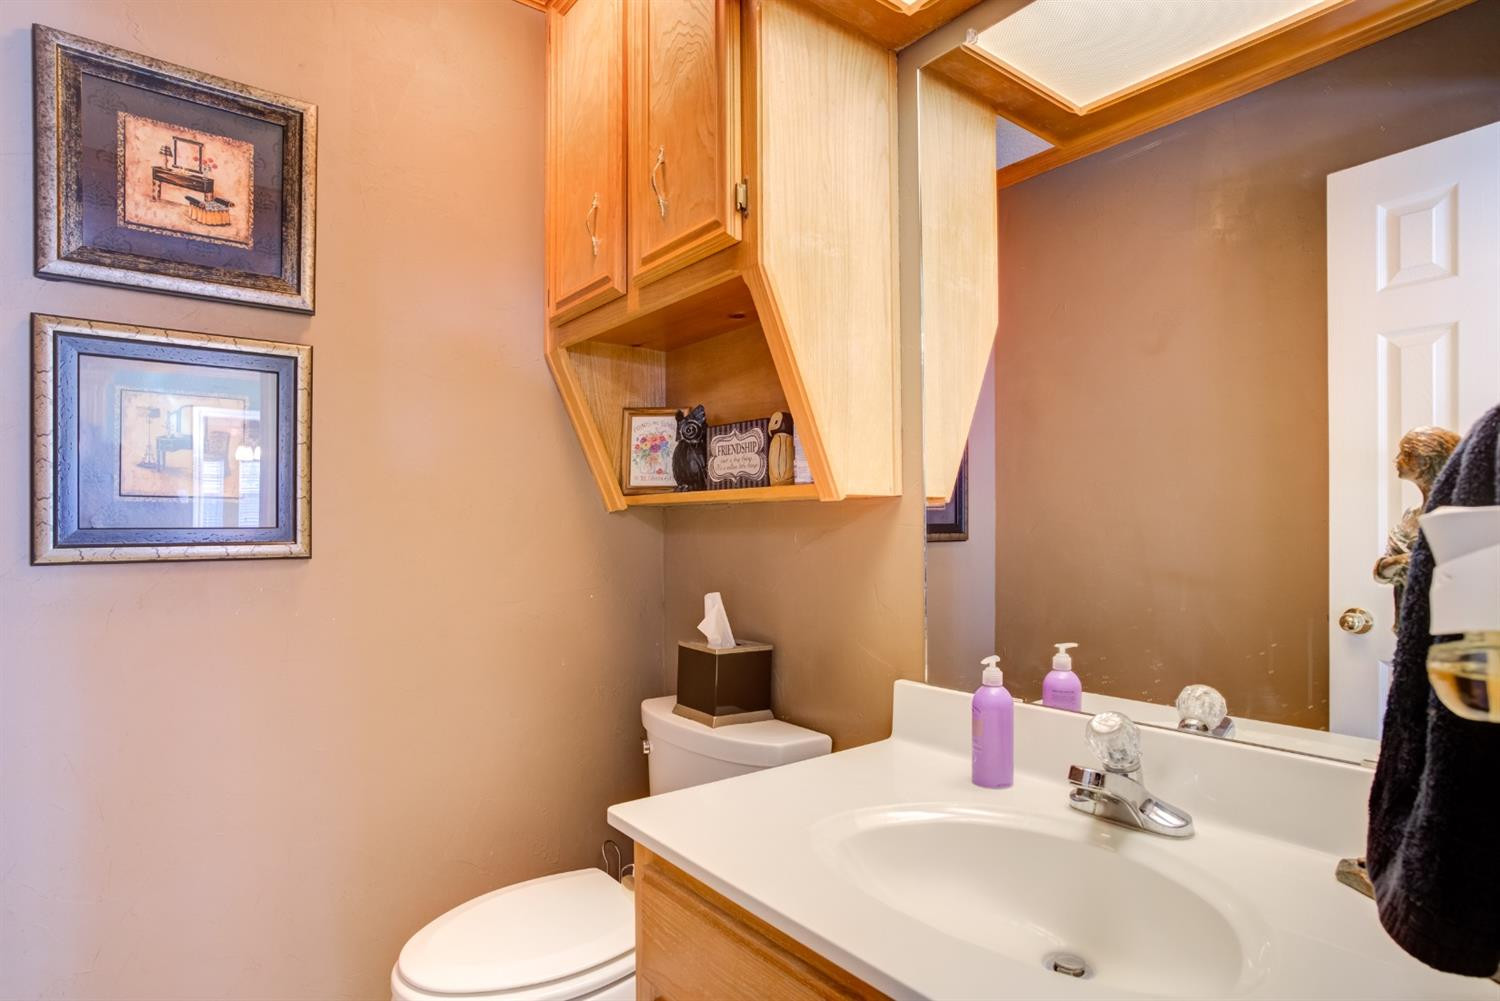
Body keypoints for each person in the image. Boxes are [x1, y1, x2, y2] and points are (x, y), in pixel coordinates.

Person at [1373, 425, 1461, 625]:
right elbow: (1383, 574)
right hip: (1407, 627)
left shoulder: (1461, 517)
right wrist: (1399, 563)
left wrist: (1418, 563)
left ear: (1424, 462)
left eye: (1405, 454)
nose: (1397, 460)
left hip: (1447, 634)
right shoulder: (1410, 516)